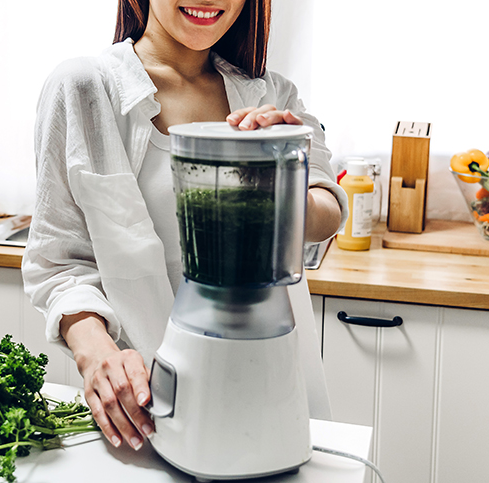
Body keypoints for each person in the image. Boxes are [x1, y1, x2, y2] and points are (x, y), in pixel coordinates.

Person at [23, 0, 347, 453]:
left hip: (274, 387)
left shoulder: (270, 95)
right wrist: (96, 354)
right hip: (145, 408)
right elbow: (58, 263)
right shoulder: (85, 88)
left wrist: (279, 167)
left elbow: (325, 213)